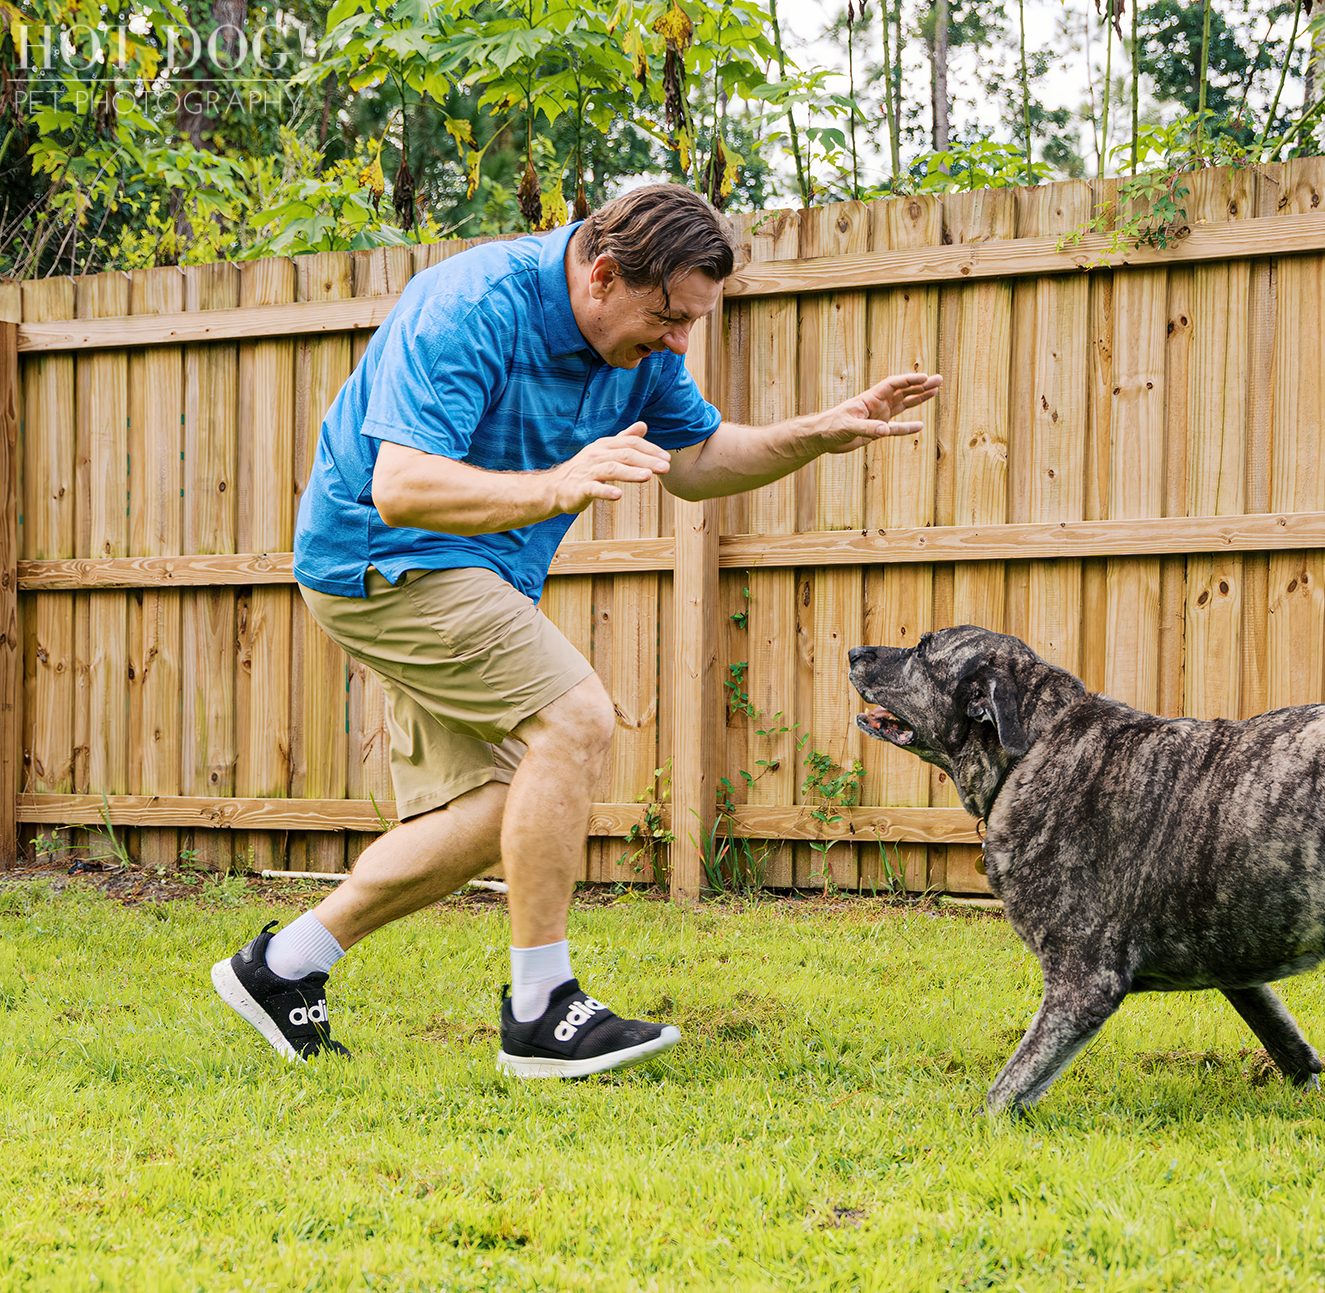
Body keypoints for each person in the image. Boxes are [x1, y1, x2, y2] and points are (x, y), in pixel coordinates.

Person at [210, 184, 940, 1078]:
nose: (677, 343)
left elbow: (698, 459)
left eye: (690, 325)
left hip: (477, 570)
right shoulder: (473, 305)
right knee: (578, 719)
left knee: (502, 809)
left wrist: (817, 434)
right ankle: (541, 1009)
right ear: (601, 275)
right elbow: (400, 483)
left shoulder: (641, 345)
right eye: (669, 318)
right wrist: (559, 484)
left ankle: (283, 967)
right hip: (383, 556)